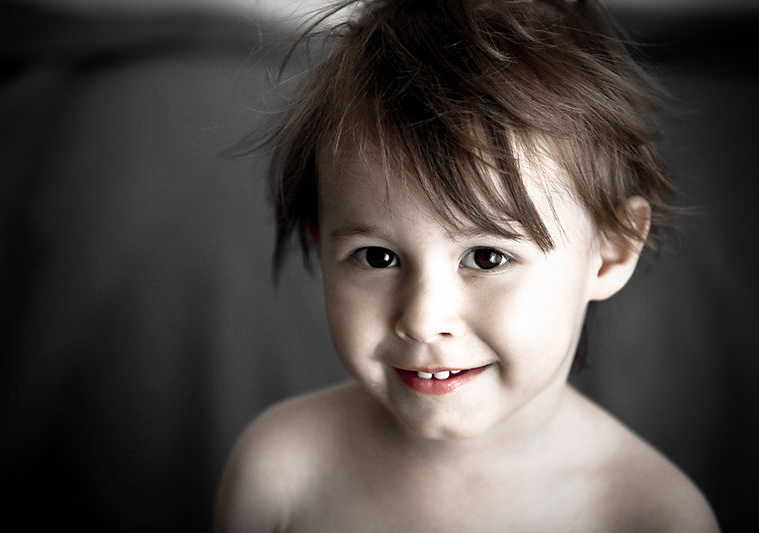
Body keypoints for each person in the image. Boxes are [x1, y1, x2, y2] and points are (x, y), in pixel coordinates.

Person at [215, 0, 720, 531]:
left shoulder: (652, 517)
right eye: (378, 257)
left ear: (611, 250)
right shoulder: (280, 471)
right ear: (321, 243)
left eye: (486, 257)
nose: (422, 320)